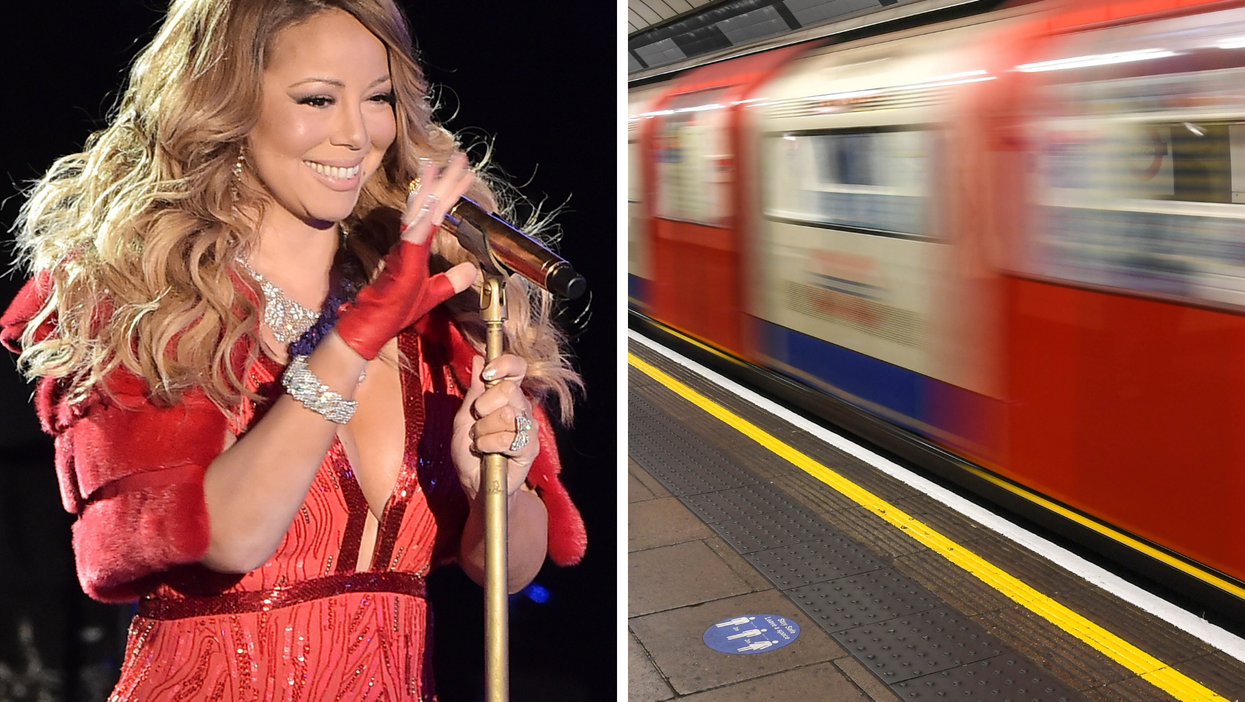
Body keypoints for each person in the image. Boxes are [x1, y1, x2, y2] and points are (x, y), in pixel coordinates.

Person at [0, 0, 587, 699]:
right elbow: (227, 538)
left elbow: (507, 571)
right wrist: (355, 338)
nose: (354, 134)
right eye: (316, 98)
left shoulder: (431, 314)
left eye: (376, 100)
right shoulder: (145, 302)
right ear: (228, 104)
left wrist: (499, 484)